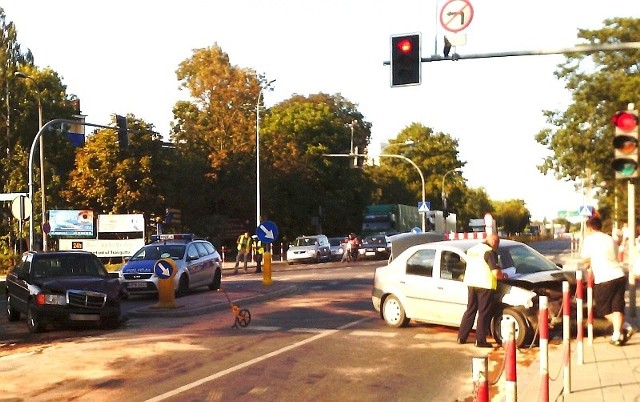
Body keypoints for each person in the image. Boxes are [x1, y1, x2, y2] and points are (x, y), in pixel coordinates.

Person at [580, 216, 633, 346]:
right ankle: (617, 335)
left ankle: (625, 326)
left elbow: (584, 259)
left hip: (604, 278)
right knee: (617, 307)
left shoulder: (589, 240)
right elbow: (615, 257)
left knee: (602, 309)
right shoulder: (610, 239)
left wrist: (590, 262)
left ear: (590, 228)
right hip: (619, 275)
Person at [457, 233, 507, 348]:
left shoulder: (473, 249)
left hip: (471, 283)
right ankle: (480, 340)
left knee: (470, 310)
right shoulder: (489, 252)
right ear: (494, 242)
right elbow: (495, 272)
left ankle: (461, 337)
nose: (497, 246)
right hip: (485, 284)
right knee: (483, 312)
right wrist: (503, 276)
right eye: (497, 243)